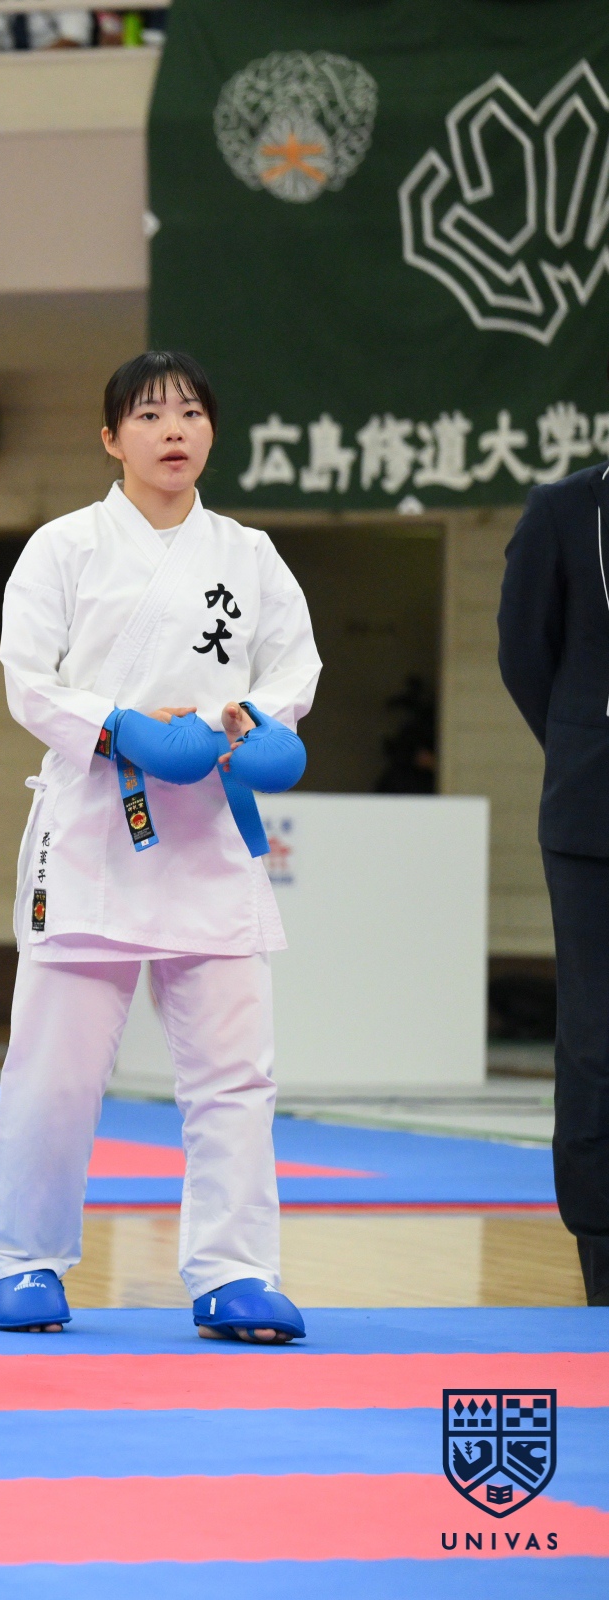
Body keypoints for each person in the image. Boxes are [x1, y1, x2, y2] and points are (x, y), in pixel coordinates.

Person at [0, 350, 319, 1343]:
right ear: (111, 438)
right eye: (149, 415)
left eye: (190, 414)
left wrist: (260, 723)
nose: (174, 431)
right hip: (98, 824)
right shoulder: (64, 547)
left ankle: (236, 1271)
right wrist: (117, 725)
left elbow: (292, 663)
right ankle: (28, 1256)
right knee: (54, 1070)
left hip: (208, 829)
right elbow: (26, 676)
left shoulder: (249, 554)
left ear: (212, 432)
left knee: (235, 1074)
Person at [496, 397, 609, 1307]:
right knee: (596, 1038)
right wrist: (582, 742)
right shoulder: (564, 512)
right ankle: (601, 1244)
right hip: (591, 815)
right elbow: (523, 656)